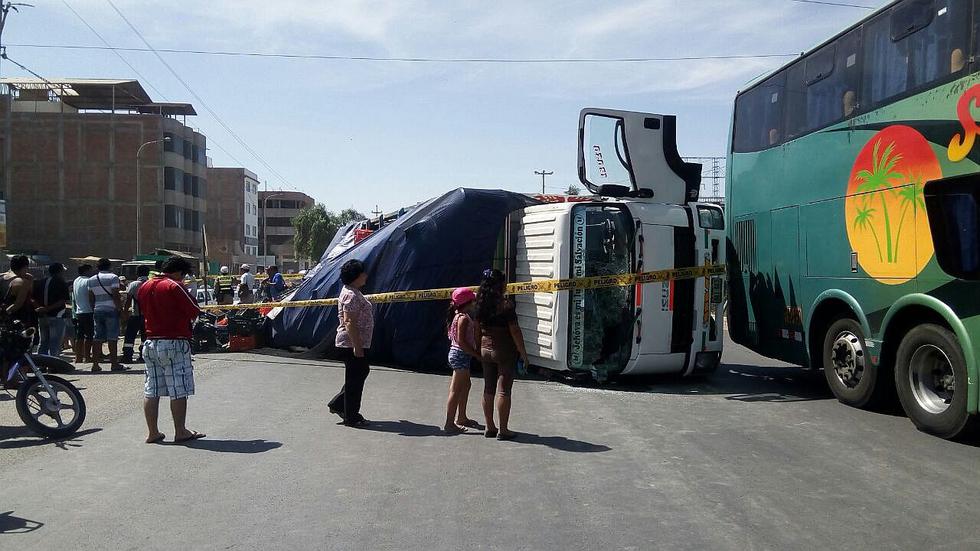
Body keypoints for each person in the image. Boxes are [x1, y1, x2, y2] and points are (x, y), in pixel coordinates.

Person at [138, 255, 206, 445]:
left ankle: (153, 432)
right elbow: (194, 309)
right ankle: (180, 431)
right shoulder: (174, 286)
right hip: (174, 342)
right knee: (178, 388)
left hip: (150, 342)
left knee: (152, 389)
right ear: (179, 272)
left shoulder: (145, 286)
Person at [475, 268, 528, 441]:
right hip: (504, 350)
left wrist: (478, 348)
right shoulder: (505, 305)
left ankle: (489, 426)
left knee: (488, 388)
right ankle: (503, 430)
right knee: (504, 391)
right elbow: (515, 331)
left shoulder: (479, 304)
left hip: (485, 348)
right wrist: (523, 353)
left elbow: (476, 329)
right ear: (500, 285)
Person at [327, 259, 374, 427]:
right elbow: (349, 321)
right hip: (351, 343)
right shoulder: (351, 295)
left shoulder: (353, 292)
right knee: (356, 378)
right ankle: (351, 416)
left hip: (356, 342)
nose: (366, 275)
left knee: (359, 374)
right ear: (356, 276)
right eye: (363, 273)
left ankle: (339, 405)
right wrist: (357, 346)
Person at [444, 287, 482, 434]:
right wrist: (476, 354)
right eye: (472, 301)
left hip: (460, 355)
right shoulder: (463, 318)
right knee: (456, 389)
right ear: (468, 303)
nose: (474, 303)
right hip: (460, 355)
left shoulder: (458, 315)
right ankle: (449, 423)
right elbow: (461, 341)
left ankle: (462, 417)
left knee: (466, 385)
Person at [88, 257, 126, 372]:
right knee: (112, 337)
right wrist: (120, 309)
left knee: (97, 338)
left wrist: (94, 308)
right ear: (109, 266)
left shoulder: (92, 279)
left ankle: (95, 364)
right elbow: (115, 295)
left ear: (97, 267)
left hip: (97, 309)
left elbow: (91, 297)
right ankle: (114, 364)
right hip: (111, 309)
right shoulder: (113, 277)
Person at [34, 263, 70, 357]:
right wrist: (48, 309)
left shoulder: (40, 282)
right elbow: (62, 300)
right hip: (57, 316)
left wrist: (40, 308)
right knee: (55, 342)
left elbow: (32, 298)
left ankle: (41, 362)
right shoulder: (61, 282)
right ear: (60, 271)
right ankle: (53, 362)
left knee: (43, 342)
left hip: (42, 316)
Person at [121, 265, 150, 363]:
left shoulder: (133, 284)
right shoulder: (151, 284)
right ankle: (144, 355)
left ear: (137, 273)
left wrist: (125, 313)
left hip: (135, 315)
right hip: (148, 316)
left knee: (130, 336)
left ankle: (127, 356)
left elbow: (128, 300)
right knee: (145, 337)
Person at [1, 255, 35, 326]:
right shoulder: (23, 282)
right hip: (16, 322)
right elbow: (17, 305)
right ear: (25, 267)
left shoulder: (1, 277)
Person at [72, 264, 95, 364]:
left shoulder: (76, 281)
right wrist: (93, 307)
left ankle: (78, 357)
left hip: (79, 311)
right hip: (88, 311)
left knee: (79, 335)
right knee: (89, 335)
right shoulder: (89, 281)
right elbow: (90, 296)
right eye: (90, 270)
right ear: (86, 271)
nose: (92, 272)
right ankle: (87, 356)